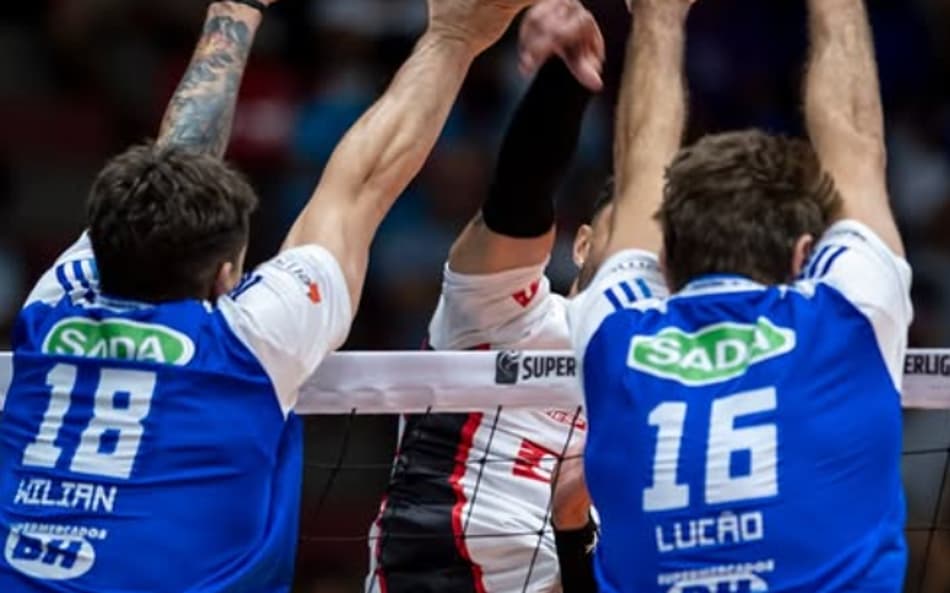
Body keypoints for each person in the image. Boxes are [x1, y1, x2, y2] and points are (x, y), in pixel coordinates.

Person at [0, 0, 537, 590]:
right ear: (226, 277)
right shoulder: (247, 347)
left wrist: (236, 10)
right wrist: (453, 36)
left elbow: (169, 179)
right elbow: (358, 187)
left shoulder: (52, 303)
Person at [569, 0, 912, 591]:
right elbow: (856, 146)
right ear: (803, 256)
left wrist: (656, 19)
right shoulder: (847, 321)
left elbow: (640, 176)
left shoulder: (614, 338)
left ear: (665, 263)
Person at [365, 1, 614, 592]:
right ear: (581, 243)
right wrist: (564, 86)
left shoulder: (659, 372)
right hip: (436, 574)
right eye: (630, 226)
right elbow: (517, 205)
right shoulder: (515, 312)